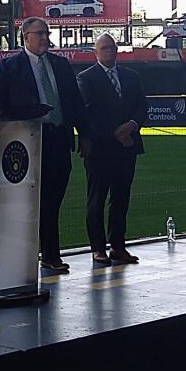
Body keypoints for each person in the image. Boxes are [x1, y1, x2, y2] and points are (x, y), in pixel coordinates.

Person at [0, 16, 87, 272]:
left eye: (47, 33)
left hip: (58, 139)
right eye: (40, 33)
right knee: (30, 202)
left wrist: (83, 135)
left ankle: (50, 254)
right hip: (27, 142)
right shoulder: (9, 67)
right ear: (26, 37)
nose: (46, 37)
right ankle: (31, 256)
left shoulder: (61, 65)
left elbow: (75, 104)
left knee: (53, 200)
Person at [77, 34, 146, 266]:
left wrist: (131, 126)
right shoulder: (86, 78)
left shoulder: (131, 76)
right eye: (104, 48)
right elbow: (88, 114)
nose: (109, 51)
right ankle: (98, 248)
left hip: (127, 148)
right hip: (100, 149)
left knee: (121, 198)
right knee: (96, 199)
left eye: (112, 47)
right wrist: (117, 133)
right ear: (95, 52)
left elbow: (141, 107)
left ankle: (118, 246)